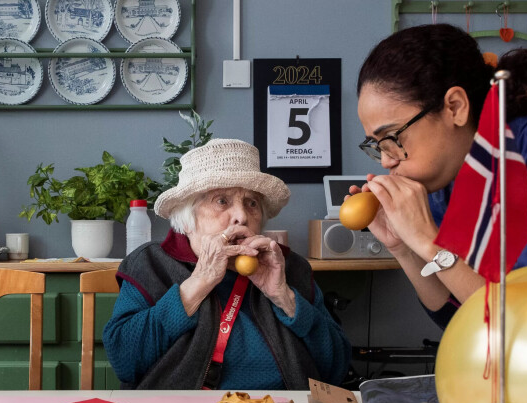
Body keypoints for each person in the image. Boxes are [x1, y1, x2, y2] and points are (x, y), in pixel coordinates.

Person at [354, 24, 527, 329]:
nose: (385, 160)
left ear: (455, 107)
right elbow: (464, 324)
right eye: (376, 144)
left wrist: (429, 243)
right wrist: (405, 249)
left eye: (393, 137)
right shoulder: (448, 178)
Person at [103, 138, 350, 390]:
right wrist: (198, 283)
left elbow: (336, 369)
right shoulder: (151, 264)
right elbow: (125, 362)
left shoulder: (289, 267)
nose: (242, 216)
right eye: (222, 201)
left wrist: (284, 297)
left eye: (251, 203)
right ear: (187, 220)